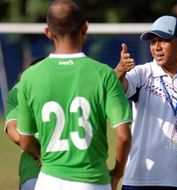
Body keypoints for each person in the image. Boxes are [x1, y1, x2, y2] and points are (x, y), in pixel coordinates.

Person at [17, 1, 132, 190]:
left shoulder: (30, 76)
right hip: (92, 181)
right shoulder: (104, 74)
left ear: (48, 32)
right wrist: (117, 173)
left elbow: (25, 139)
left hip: (48, 181)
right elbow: (123, 136)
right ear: (85, 27)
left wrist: (44, 158)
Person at [115, 15, 177, 189]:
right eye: (153, 42)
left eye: (163, 41)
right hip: (140, 178)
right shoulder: (142, 73)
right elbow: (116, 87)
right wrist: (120, 70)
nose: (156, 48)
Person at [4, 58, 45, 190]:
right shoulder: (67, 84)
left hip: (34, 172)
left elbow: (14, 132)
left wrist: (39, 154)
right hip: (74, 172)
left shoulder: (20, 89)